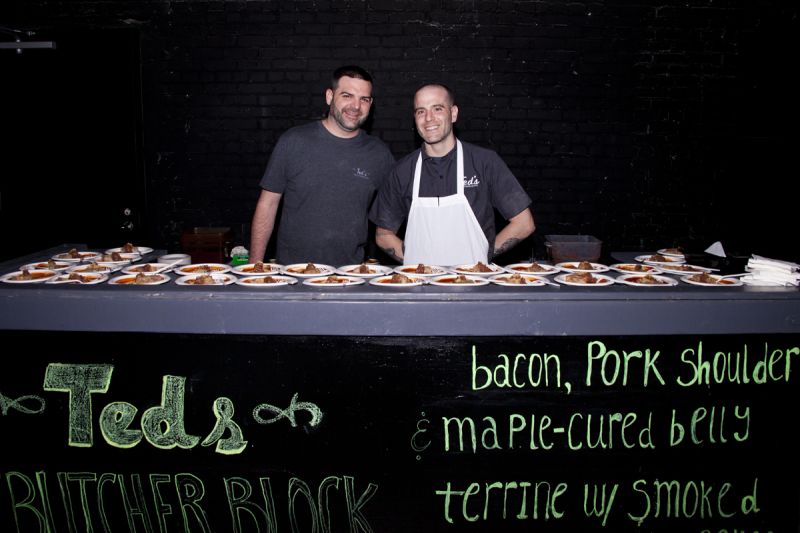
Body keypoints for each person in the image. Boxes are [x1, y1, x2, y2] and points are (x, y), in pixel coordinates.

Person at [370, 83, 534, 265]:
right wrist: (414, 264)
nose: (428, 119)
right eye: (421, 111)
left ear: (453, 113)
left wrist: (482, 258)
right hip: (419, 287)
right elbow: (383, 234)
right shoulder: (401, 171)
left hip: (475, 284)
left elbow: (524, 223)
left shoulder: (485, 162)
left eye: (437, 109)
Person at [249, 65, 395, 265]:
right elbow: (267, 204)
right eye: (347, 96)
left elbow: (395, 210)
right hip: (293, 275)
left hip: (350, 277)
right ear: (329, 96)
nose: (355, 106)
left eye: (364, 99)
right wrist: (255, 265)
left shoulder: (379, 154)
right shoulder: (294, 141)